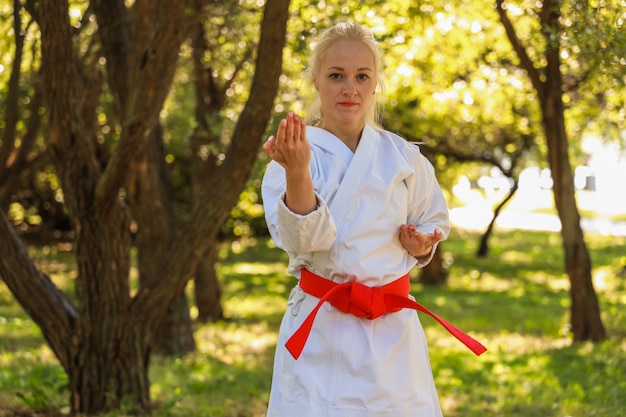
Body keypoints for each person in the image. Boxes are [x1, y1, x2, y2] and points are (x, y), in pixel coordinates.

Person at [261, 22, 485, 417]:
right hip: (321, 332)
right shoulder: (293, 153)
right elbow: (303, 241)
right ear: (316, 79)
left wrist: (423, 244)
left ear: (375, 82)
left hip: (391, 334)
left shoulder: (403, 158)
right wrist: (298, 172)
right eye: (336, 76)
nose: (350, 88)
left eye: (362, 76)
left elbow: (432, 218)